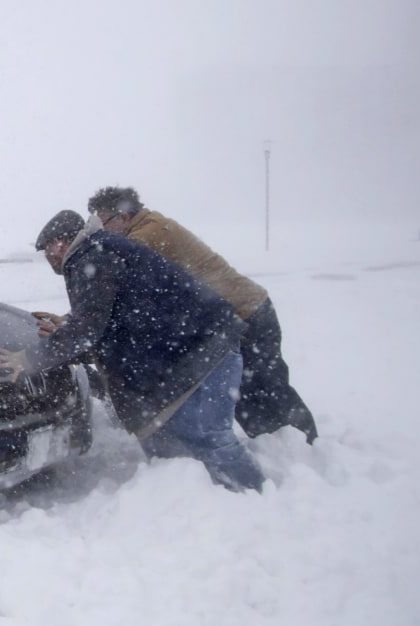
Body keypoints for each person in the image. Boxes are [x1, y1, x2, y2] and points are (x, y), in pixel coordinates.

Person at [0, 210, 265, 492]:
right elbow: (105, 316)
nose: (48, 257)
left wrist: (31, 359)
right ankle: (192, 501)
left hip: (204, 348)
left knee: (207, 435)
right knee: (165, 442)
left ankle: (256, 496)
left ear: (61, 244)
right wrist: (68, 328)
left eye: (47, 250)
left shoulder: (93, 257)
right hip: (183, 352)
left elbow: (90, 328)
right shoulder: (98, 251)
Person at [87, 186, 317, 444]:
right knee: (249, 394)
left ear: (123, 217)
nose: (100, 230)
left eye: (102, 222)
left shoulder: (148, 235)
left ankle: (305, 447)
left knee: (267, 390)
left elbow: (113, 283)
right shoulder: (149, 227)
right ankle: (287, 448)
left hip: (247, 313)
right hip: (236, 316)